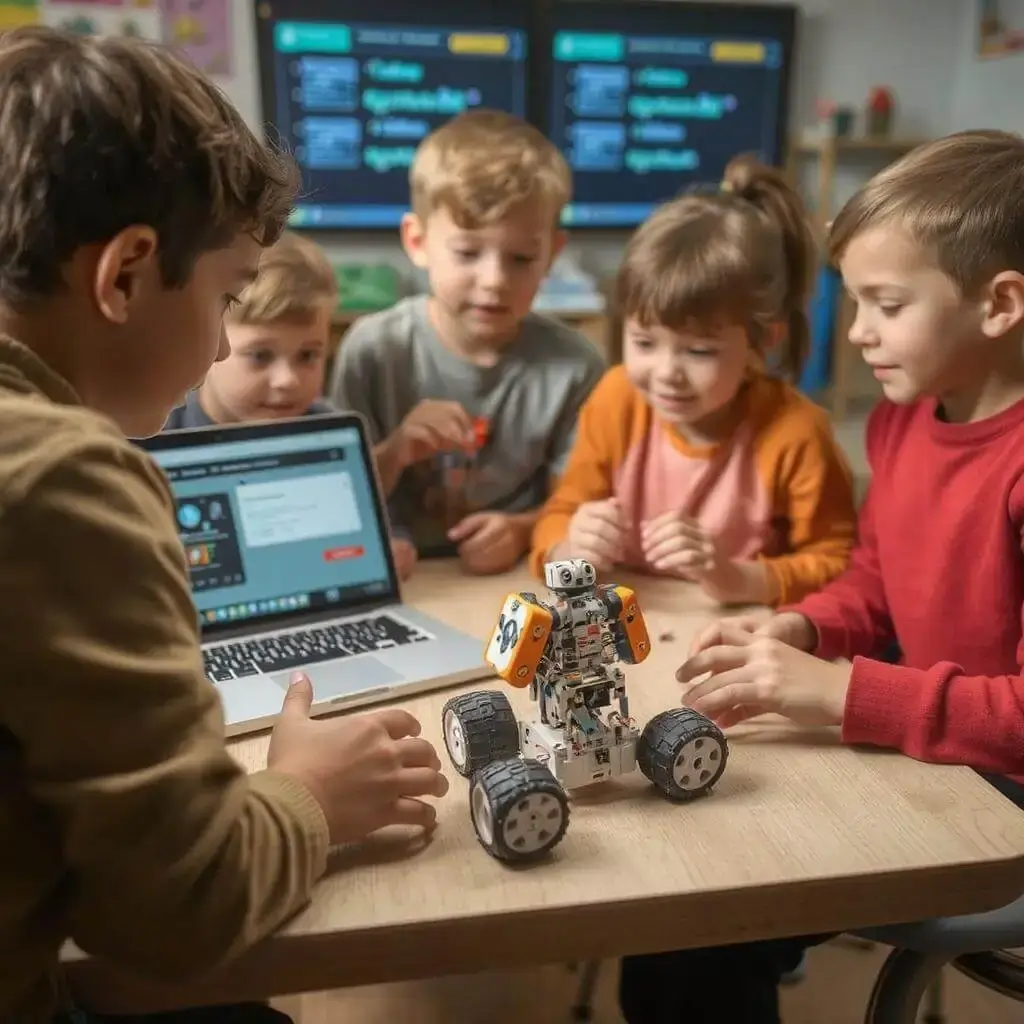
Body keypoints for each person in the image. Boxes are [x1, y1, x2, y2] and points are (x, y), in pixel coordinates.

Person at [0, 27, 447, 1024]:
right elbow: (179, 910)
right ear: (124, 275)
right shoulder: (65, 475)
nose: (218, 337)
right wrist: (309, 796)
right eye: (228, 296)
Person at [622, 129, 1024, 1024]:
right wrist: (804, 628)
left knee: (699, 937)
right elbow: (876, 582)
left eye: (885, 304)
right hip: (936, 752)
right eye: (854, 302)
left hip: (1001, 797)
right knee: (678, 899)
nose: (857, 334)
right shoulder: (904, 422)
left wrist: (845, 695)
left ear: (999, 304)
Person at [529, 155, 857, 608]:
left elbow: (837, 562)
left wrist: (736, 578)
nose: (666, 372)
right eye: (644, 342)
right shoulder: (616, 397)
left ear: (763, 342)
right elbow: (558, 516)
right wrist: (571, 548)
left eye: (699, 351)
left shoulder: (796, 433)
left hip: (737, 639)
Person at [329, 109, 606, 575]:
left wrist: (521, 529)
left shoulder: (577, 366)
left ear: (552, 254)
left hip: (515, 578)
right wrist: (397, 449)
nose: (494, 281)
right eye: (467, 253)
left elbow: (578, 503)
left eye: (521, 257)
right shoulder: (373, 349)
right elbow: (334, 498)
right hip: (398, 578)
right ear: (417, 242)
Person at [162, 231, 417, 579]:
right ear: (210, 341)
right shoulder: (160, 434)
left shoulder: (331, 433)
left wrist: (393, 547)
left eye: (308, 355)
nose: (288, 380)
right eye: (261, 356)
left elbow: (385, 523)